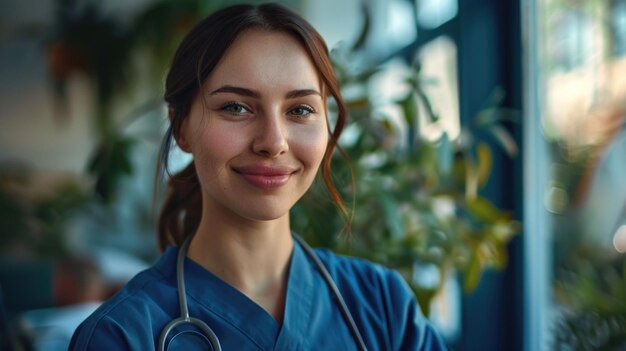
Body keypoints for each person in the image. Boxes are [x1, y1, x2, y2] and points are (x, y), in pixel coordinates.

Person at [69, 3, 448, 350]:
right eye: (236, 107)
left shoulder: (382, 305)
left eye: (300, 110)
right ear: (182, 128)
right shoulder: (122, 335)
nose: (273, 142)